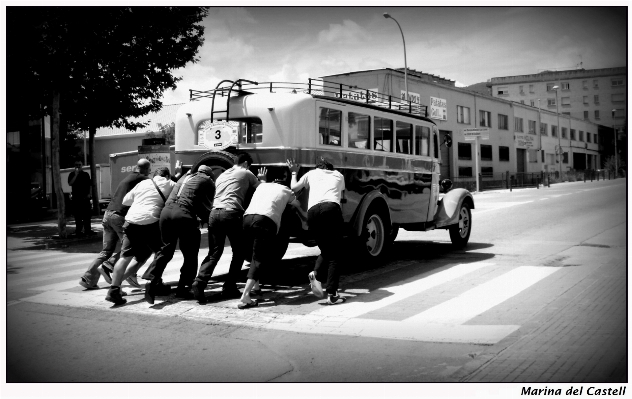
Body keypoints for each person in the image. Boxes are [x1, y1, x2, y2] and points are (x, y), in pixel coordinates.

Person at [192, 153, 265, 303]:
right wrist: (262, 180)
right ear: (245, 163)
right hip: (231, 213)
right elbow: (261, 189)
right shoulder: (246, 172)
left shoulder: (222, 175)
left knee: (214, 252)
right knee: (239, 252)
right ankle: (229, 286)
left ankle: (199, 281)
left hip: (214, 213)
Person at [142, 165, 215, 304]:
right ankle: (183, 288)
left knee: (166, 249)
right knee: (190, 253)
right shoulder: (208, 181)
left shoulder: (184, 177)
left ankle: (152, 280)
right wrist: (209, 221)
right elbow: (207, 205)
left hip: (166, 213)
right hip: (183, 214)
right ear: (210, 174)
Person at [104, 166, 176, 305]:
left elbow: (125, 201)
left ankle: (114, 289)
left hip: (131, 222)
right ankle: (154, 281)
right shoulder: (170, 183)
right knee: (162, 251)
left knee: (126, 256)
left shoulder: (143, 183)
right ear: (167, 176)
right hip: (151, 223)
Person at [78, 158, 151, 290]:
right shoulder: (143, 179)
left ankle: (88, 279)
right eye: (149, 170)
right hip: (120, 216)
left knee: (106, 251)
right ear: (147, 169)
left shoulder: (128, 177)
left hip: (108, 214)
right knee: (132, 247)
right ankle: (111, 267)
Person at [287, 156, 347, 305]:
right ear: (330, 168)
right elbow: (342, 195)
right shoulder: (339, 175)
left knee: (326, 249)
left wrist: (293, 173)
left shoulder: (311, 174)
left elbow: (294, 188)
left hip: (313, 211)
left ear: (319, 167)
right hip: (331, 208)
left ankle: (316, 273)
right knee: (335, 254)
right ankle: (332, 294)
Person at [238, 169, 297, 309]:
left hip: (247, 219)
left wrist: (262, 179)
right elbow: (296, 204)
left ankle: (256, 288)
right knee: (259, 258)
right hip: (264, 221)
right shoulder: (287, 190)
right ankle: (245, 296)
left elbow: (262, 184)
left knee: (253, 255)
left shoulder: (262, 186)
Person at [67, 160, 94, 236]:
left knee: (87, 216)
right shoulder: (72, 174)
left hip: (85, 198)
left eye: (79, 165)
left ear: (82, 165)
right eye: (76, 165)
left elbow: (90, 185)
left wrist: (89, 194)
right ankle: (78, 230)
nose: (78, 166)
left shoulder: (86, 174)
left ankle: (87, 230)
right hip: (76, 198)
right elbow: (70, 183)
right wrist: (76, 175)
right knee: (78, 216)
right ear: (74, 166)